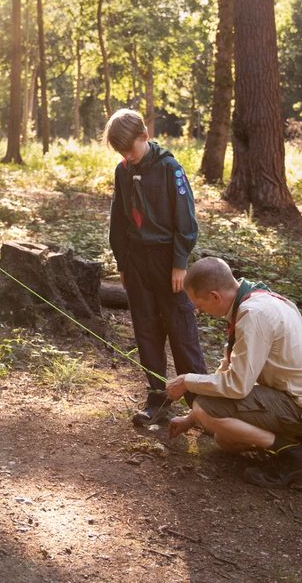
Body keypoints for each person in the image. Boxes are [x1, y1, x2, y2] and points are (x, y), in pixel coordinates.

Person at [166, 256, 302, 488]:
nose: (201, 312)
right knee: (225, 439)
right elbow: (230, 368)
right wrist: (191, 419)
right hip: (299, 398)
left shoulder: (254, 314)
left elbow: (237, 385)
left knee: (204, 407)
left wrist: (187, 382)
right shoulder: (252, 298)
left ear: (215, 296)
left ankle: (293, 456)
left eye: (200, 306)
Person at [105, 108, 207, 426]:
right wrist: (122, 261)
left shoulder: (169, 168)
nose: (127, 156)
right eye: (121, 152)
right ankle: (157, 399)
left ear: (144, 136)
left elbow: (186, 221)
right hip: (136, 260)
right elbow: (119, 219)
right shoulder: (123, 171)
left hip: (167, 261)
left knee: (181, 330)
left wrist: (179, 263)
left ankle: (201, 406)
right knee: (146, 330)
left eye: (130, 149)